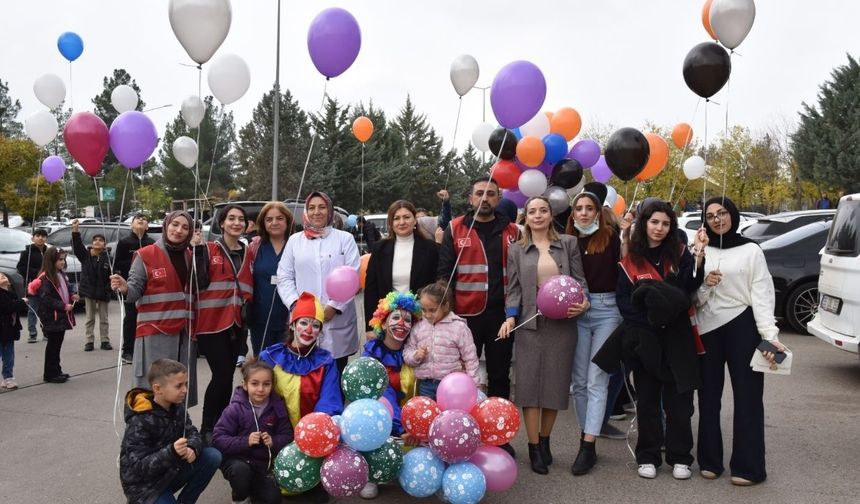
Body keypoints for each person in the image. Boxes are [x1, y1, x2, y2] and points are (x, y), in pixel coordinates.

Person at [595, 200, 707, 481]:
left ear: (671, 227)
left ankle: (681, 457)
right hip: (645, 340)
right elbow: (624, 301)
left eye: (665, 223)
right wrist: (653, 319)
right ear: (644, 224)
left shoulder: (681, 255)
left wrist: (699, 259)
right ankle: (648, 455)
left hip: (679, 339)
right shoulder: (629, 260)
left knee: (680, 402)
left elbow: (687, 290)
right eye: (654, 222)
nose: (659, 228)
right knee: (647, 401)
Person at [695, 196, 786, 486]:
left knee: (747, 397)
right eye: (710, 216)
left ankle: (748, 467)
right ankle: (709, 461)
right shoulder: (700, 249)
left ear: (732, 214)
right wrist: (705, 285)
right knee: (708, 397)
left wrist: (770, 336)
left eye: (722, 213)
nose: (717, 219)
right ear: (704, 221)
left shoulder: (751, 250)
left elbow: (762, 294)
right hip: (708, 327)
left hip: (743, 326)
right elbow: (691, 297)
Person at [498, 196, 589, 475]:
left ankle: (546, 440)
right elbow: (512, 287)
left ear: (551, 215)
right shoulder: (516, 249)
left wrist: (584, 302)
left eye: (543, 211)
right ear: (526, 217)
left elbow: (580, 280)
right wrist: (510, 316)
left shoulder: (569, 243)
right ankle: (534, 446)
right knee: (529, 388)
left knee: (555, 386)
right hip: (529, 324)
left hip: (563, 323)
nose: (537, 215)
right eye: (532, 211)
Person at [110, 210, 209, 407]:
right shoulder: (145, 255)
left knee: (179, 391)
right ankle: (147, 431)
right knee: (153, 392)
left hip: (184, 333)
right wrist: (124, 288)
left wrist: (200, 252)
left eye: (185, 227)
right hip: (155, 333)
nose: (179, 230)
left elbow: (202, 284)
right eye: (175, 224)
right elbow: (134, 291)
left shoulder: (191, 255)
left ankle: (178, 432)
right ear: (165, 226)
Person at [437, 177, 519, 401]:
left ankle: (498, 433)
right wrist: (446, 314)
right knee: (463, 374)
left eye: (491, 193)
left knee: (500, 375)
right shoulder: (455, 228)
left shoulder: (514, 232)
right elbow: (445, 275)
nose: (485, 198)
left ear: (499, 199)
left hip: (502, 316)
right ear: (470, 198)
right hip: (465, 315)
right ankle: (464, 427)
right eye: (480, 193)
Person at [564, 183, 625, 475]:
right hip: (576, 313)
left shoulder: (611, 237)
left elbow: (625, 273)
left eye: (590, 208)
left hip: (606, 310)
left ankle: (587, 445)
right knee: (578, 383)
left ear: (598, 212)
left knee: (596, 378)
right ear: (573, 212)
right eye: (579, 208)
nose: (584, 213)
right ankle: (587, 434)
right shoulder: (567, 240)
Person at [259, 291, 340, 504]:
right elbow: (255, 398)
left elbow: (329, 402)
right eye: (303, 322)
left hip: (310, 440)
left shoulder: (326, 362)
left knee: (314, 496)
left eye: (315, 325)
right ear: (292, 325)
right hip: (273, 435)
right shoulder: (270, 356)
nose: (309, 330)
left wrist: (309, 436)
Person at [277, 192, 360, 375]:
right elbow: (284, 277)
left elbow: (352, 276)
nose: (317, 212)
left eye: (322, 207)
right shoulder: (294, 241)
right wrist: (296, 305)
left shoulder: (344, 239)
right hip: (303, 318)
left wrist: (333, 307)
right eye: (312, 207)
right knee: (305, 376)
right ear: (306, 211)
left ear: (330, 210)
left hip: (337, 319)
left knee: (335, 373)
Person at [120, 358, 221, 504]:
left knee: (212, 456)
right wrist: (172, 451)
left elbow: (192, 432)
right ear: (157, 389)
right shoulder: (140, 420)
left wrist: (193, 447)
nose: (185, 390)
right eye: (179, 386)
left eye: (185, 384)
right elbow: (139, 468)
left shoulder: (177, 406)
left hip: (170, 471)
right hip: (144, 487)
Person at [196, 204, 254, 440]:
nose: (236, 223)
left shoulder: (249, 251)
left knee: (228, 375)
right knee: (220, 374)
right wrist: (198, 251)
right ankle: (207, 428)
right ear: (221, 223)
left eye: (241, 219)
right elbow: (198, 282)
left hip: (237, 325)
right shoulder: (208, 249)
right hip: (211, 324)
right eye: (231, 218)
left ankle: (221, 425)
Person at [360, 289, 424, 499]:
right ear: (384, 322)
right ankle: (370, 472)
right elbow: (384, 396)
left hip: (411, 422)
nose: (401, 323)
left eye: (407, 320)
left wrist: (415, 426)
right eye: (395, 317)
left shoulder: (416, 354)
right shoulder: (372, 353)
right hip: (383, 421)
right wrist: (400, 427)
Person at [212, 358, 292, 504]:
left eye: (266, 384)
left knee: (273, 499)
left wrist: (273, 441)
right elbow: (217, 439)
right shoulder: (235, 409)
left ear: (272, 385)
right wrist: (245, 441)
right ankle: (239, 497)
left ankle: (253, 492)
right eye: (255, 384)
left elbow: (287, 435)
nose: (261, 389)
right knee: (241, 472)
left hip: (261, 466)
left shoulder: (277, 407)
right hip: (236, 461)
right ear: (245, 385)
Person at [363, 200, 438, 339]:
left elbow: (437, 285)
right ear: (390, 223)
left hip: (421, 320)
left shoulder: (430, 248)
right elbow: (370, 289)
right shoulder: (380, 248)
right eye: (396, 218)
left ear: (415, 220)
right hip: (388, 321)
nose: (402, 222)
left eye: (406, 217)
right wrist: (370, 327)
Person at [404, 280, 479, 399]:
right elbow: (407, 351)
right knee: (428, 415)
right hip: (426, 385)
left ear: (445, 306)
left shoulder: (459, 327)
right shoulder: (418, 328)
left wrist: (473, 385)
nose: (427, 315)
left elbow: (470, 358)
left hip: (453, 385)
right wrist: (416, 355)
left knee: (450, 415)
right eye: (424, 310)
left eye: (432, 310)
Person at [247, 202, 293, 356]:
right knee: (263, 364)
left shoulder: (297, 245)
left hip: (290, 318)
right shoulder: (255, 247)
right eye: (269, 219)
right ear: (263, 223)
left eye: (279, 218)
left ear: (287, 221)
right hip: (260, 317)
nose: (274, 223)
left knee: (287, 366)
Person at [28, 246, 78, 383]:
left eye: (64, 259)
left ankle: (56, 369)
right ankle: (50, 373)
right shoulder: (45, 278)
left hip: (59, 316)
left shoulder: (60, 274)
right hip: (52, 316)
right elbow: (45, 298)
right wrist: (63, 306)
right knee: (53, 345)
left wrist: (72, 296)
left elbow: (66, 290)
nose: (63, 262)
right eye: (60, 260)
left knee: (57, 344)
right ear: (51, 260)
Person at [116, 213, 155, 364]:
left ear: (147, 226)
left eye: (144, 219)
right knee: (131, 318)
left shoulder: (151, 243)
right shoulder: (124, 242)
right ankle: (128, 350)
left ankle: (146, 349)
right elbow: (117, 265)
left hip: (149, 287)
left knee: (148, 318)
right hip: (130, 286)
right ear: (131, 225)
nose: (141, 220)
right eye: (137, 219)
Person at [71, 219, 113, 352]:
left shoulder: (108, 258)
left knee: (104, 319)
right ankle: (89, 341)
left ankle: (105, 340)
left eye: (100, 240)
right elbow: (77, 246)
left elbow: (112, 274)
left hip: (103, 292)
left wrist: (108, 289)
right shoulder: (85, 256)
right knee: (89, 318)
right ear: (92, 243)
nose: (97, 242)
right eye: (95, 240)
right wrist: (75, 231)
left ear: (105, 244)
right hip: (88, 292)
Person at [16, 227, 48, 343]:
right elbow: (20, 268)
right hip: (33, 285)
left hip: (46, 285)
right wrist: (36, 273)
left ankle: (46, 332)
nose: (40, 238)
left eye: (43, 236)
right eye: (38, 236)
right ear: (33, 238)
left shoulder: (49, 252)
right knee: (32, 309)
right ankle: (32, 333)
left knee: (45, 309)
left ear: (46, 238)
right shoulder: (26, 253)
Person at [0, 272, 28, 390]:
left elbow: (14, 307)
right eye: (0, 276)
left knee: (9, 356)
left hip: (9, 331)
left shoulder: (11, 294)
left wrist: (22, 302)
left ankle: (8, 378)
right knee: (5, 354)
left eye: (4, 276)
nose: (2, 276)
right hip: (2, 330)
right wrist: (22, 302)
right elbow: (8, 307)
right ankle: (7, 377)